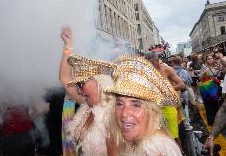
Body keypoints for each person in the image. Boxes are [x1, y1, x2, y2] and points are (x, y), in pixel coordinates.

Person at [105, 56, 182, 156]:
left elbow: (182, 84)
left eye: (136, 105)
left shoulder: (156, 150)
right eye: (119, 103)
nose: (124, 113)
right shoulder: (118, 138)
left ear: (152, 111)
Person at [59, 26, 115, 156]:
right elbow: (65, 78)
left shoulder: (116, 113)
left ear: (99, 81)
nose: (78, 90)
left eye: (81, 83)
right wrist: (68, 46)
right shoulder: (87, 104)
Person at [145, 52, 185, 146]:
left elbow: (181, 84)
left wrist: (165, 91)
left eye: (152, 63)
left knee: (174, 137)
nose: (151, 66)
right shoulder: (146, 72)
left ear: (157, 60)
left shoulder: (167, 70)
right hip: (154, 108)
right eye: (148, 64)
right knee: (158, 137)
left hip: (168, 106)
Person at [198, 54, 220, 125]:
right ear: (206, 60)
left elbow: (216, 75)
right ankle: (211, 121)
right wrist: (204, 73)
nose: (210, 60)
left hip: (214, 87)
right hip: (206, 89)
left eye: (211, 58)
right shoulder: (203, 67)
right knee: (208, 104)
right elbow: (200, 78)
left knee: (215, 104)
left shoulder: (215, 66)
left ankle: (217, 121)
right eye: (208, 59)